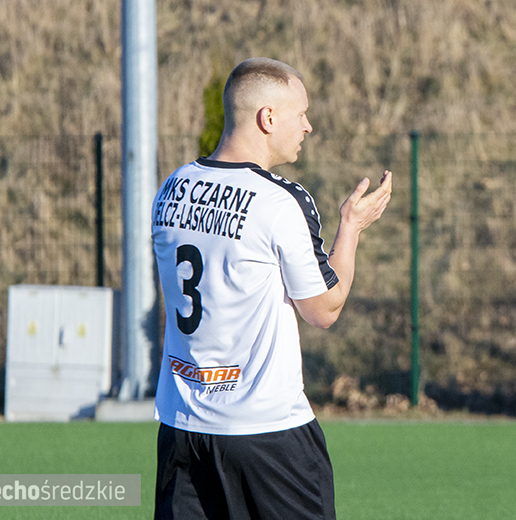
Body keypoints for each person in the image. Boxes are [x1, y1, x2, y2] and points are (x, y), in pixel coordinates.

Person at [150, 57, 392, 519]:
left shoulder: (173, 186)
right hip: (266, 435)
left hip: (182, 429)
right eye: (301, 113)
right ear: (268, 118)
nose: (309, 125)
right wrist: (351, 228)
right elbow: (324, 309)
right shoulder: (280, 200)